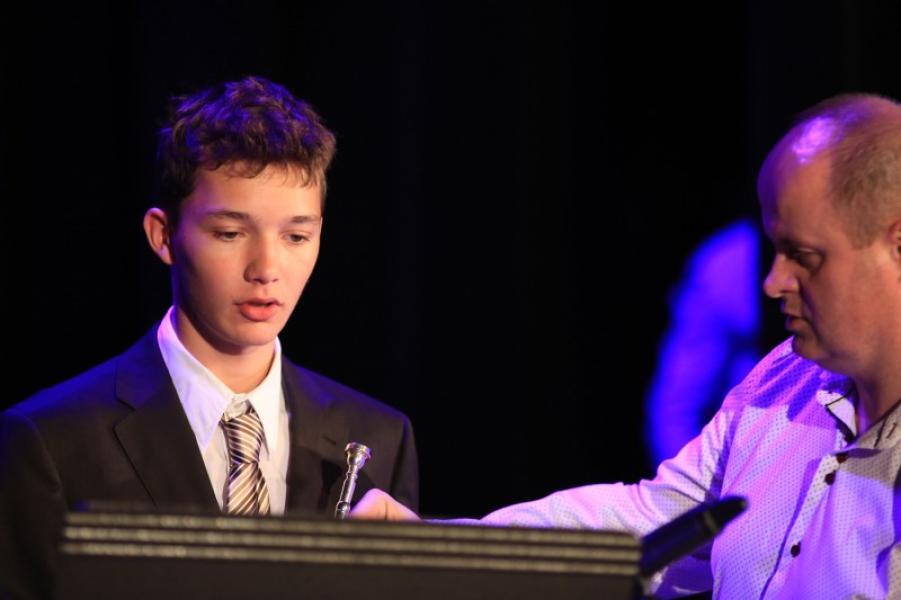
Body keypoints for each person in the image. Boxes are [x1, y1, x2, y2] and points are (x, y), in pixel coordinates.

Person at [351, 94, 901, 598]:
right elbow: (652, 521)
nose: (773, 282)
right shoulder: (787, 379)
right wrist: (436, 551)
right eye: (774, 250)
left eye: (803, 256)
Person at [0, 76, 419, 599]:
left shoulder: (381, 436)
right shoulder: (50, 440)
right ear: (163, 236)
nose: (267, 269)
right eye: (230, 233)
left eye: (296, 236)